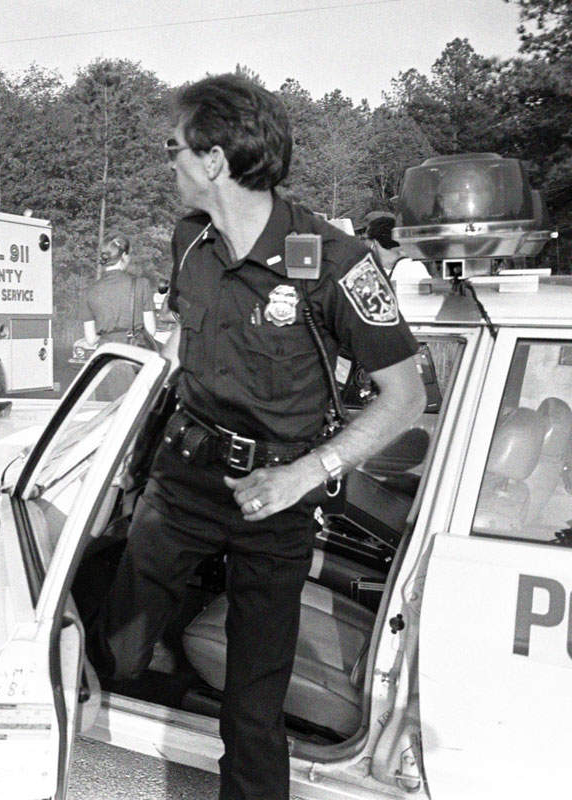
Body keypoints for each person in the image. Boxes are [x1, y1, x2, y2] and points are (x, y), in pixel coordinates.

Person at [91, 74, 426, 800]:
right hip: (182, 476)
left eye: (173, 147)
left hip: (277, 496)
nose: (168, 160)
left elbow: (407, 396)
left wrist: (307, 474)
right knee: (114, 650)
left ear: (213, 159)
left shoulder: (334, 261)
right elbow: (188, 357)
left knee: (254, 702)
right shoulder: (188, 242)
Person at [81, 235, 158, 398]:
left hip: (104, 360)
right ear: (124, 256)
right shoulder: (141, 284)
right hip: (132, 356)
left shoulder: (89, 292)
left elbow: (90, 339)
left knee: (106, 414)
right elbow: (151, 330)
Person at [362, 215, 434, 281]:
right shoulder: (380, 271)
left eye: (364, 239)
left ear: (374, 242)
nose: (363, 243)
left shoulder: (410, 268)